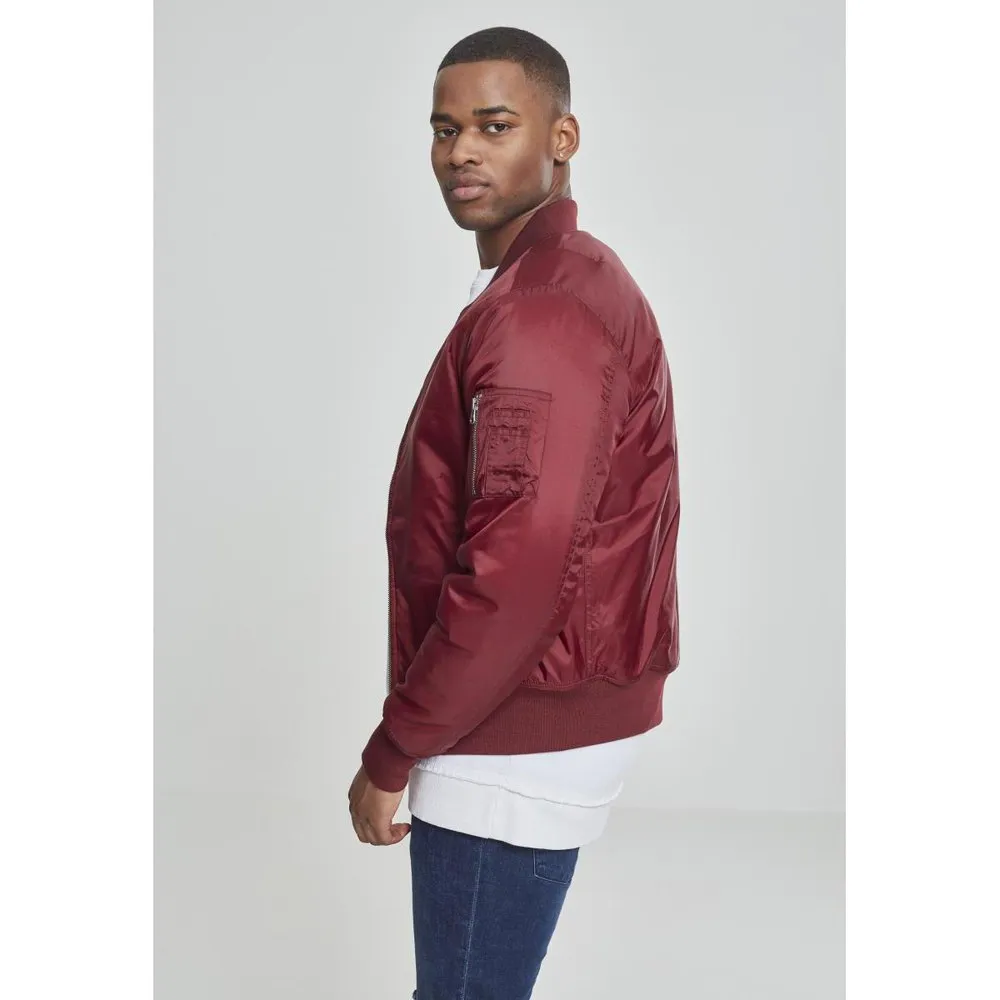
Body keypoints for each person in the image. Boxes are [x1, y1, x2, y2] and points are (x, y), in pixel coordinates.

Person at [346, 25, 681, 999]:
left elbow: (518, 567)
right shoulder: (554, 285)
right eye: (444, 129)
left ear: (562, 136)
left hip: (508, 738)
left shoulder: (542, 311)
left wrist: (394, 747)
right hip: (522, 717)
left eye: (496, 125)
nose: (462, 152)